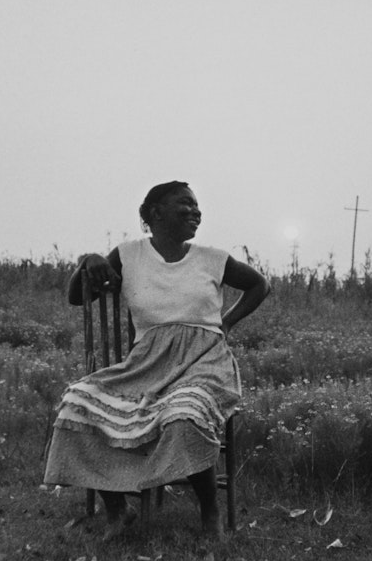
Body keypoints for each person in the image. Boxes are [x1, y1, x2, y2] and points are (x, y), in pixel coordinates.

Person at [43, 181, 270, 540]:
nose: (196, 211)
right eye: (185, 204)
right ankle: (118, 510)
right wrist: (88, 261)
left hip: (204, 363)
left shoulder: (212, 258)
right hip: (146, 365)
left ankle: (210, 514)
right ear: (155, 213)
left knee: (186, 410)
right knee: (78, 401)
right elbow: (77, 297)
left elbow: (260, 285)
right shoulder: (130, 254)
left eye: (197, 206)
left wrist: (225, 322)